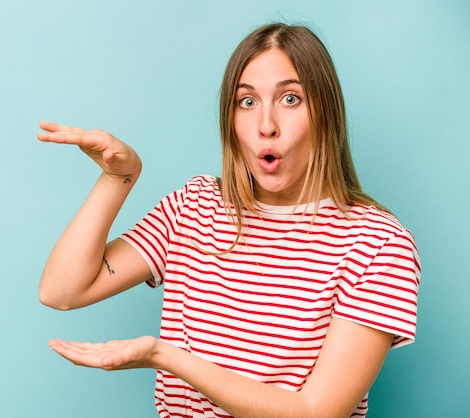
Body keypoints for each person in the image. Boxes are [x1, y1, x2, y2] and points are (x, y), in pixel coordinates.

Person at [36, 22, 420, 418]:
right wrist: (117, 179)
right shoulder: (196, 206)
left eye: (290, 99)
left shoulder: (378, 245)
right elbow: (61, 291)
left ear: (326, 112)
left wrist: (167, 356)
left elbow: (315, 412)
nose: (266, 125)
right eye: (247, 102)